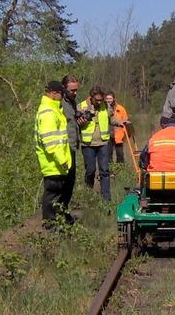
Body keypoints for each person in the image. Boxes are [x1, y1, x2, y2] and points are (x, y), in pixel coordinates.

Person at [35, 81, 72, 228]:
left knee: (57, 196)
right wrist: (62, 160)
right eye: (61, 95)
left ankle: (58, 223)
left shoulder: (52, 109)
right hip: (53, 163)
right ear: (54, 93)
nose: (62, 98)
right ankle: (51, 226)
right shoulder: (48, 112)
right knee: (52, 196)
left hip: (56, 163)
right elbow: (50, 142)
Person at [78, 85, 120, 202]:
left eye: (102, 99)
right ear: (91, 97)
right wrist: (81, 122)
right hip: (88, 145)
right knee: (90, 170)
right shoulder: (81, 106)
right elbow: (76, 124)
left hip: (103, 143)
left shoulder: (105, 106)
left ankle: (107, 200)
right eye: (98, 100)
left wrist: (121, 122)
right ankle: (88, 196)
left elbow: (112, 119)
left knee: (105, 171)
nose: (100, 102)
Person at [61, 75, 80, 211]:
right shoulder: (59, 103)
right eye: (72, 90)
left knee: (70, 181)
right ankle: (57, 213)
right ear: (64, 88)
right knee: (62, 183)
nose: (75, 93)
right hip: (62, 148)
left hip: (72, 147)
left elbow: (73, 121)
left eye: (76, 90)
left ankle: (64, 210)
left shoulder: (72, 102)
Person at [105, 91, 129, 164]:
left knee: (120, 154)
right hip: (107, 135)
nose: (108, 100)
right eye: (107, 98)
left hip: (119, 135)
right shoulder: (104, 109)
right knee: (108, 154)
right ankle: (110, 171)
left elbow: (125, 120)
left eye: (110, 98)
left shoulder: (121, 108)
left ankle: (120, 171)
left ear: (114, 99)